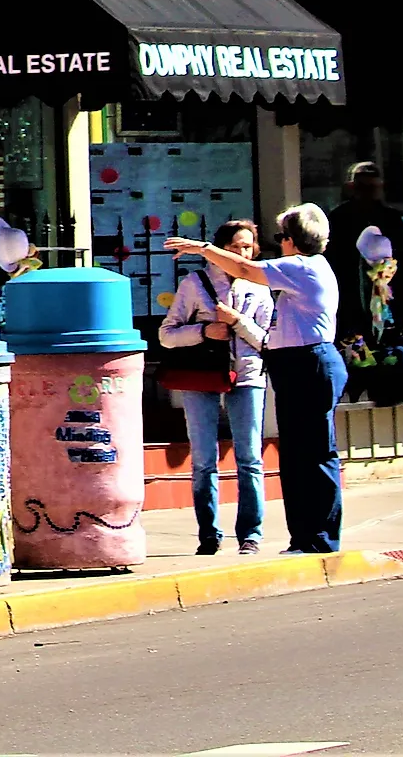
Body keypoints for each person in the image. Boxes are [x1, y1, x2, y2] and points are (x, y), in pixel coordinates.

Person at [170, 202, 347, 554]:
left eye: (281, 237)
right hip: (293, 363)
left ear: (293, 241)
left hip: (308, 363)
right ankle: (304, 537)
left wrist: (204, 248)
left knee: (314, 453)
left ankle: (322, 537)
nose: (278, 243)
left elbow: (244, 268)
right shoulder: (302, 267)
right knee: (296, 454)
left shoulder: (302, 266)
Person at [159, 218, 274, 555]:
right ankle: (209, 533)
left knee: (249, 456)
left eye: (248, 246)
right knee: (203, 458)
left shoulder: (260, 287)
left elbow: (268, 341)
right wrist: (204, 332)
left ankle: (251, 533)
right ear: (220, 250)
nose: (244, 252)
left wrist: (237, 322)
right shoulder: (194, 285)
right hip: (201, 374)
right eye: (237, 246)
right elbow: (166, 335)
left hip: (248, 375)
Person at [326, 163, 403, 344]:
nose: (367, 193)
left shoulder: (390, 218)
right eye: (362, 187)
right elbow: (333, 257)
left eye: (372, 187)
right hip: (351, 292)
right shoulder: (339, 217)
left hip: (388, 292)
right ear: (351, 188)